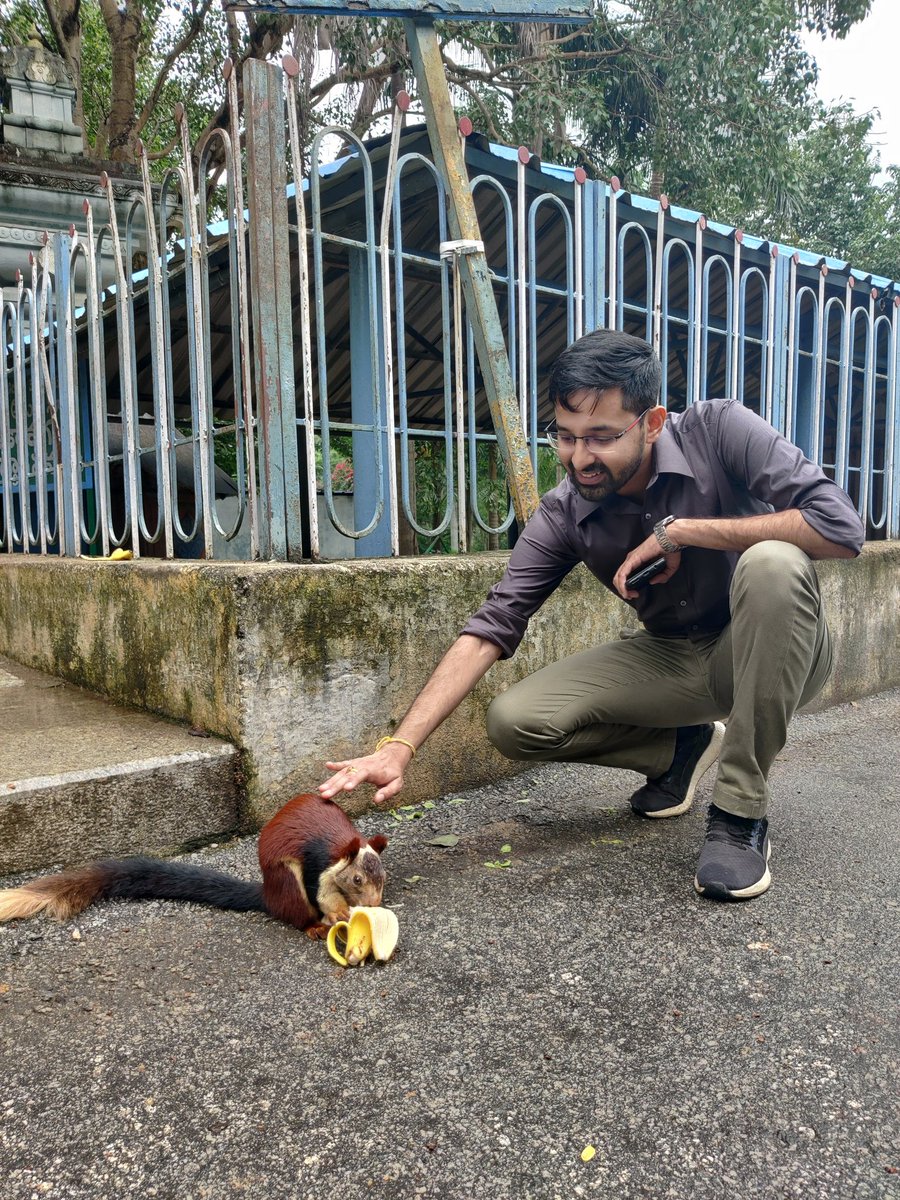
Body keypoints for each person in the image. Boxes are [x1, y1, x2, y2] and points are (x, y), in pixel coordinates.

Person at [319, 329, 865, 901]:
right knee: (514, 720)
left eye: (601, 437)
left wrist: (682, 532)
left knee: (773, 564)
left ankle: (739, 813)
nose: (580, 458)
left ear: (652, 423)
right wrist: (399, 747)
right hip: (677, 658)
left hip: (776, 648)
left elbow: (840, 527)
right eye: (566, 436)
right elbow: (492, 623)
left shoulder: (719, 429)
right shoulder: (564, 514)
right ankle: (680, 751)